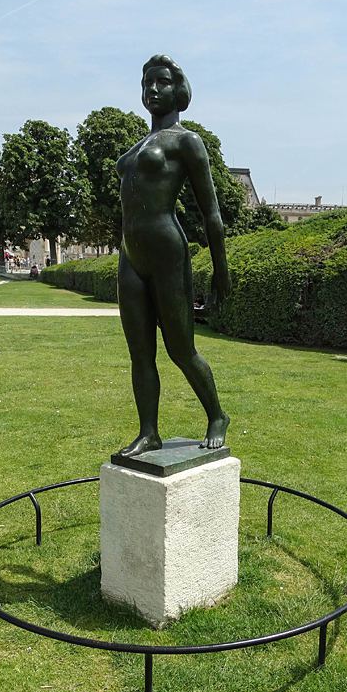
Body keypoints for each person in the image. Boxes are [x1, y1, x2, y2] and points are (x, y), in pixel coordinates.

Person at [115, 54, 231, 457]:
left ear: (179, 91)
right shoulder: (138, 146)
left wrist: (221, 269)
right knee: (140, 352)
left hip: (167, 251)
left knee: (180, 349)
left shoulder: (187, 141)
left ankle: (217, 414)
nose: (153, 89)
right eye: (147, 82)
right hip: (131, 255)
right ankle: (149, 431)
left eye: (162, 82)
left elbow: (211, 212)